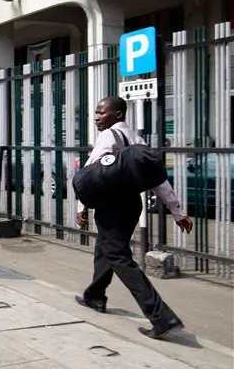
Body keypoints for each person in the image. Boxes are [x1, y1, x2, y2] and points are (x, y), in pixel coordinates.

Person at [75, 96, 193, 340]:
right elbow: (159, 180)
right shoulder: (139, 141)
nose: (97, 117)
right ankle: (95, 296)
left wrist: (82, 205)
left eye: (101, 112)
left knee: (118, 256)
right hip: (131, 205)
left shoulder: (107, 137)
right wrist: (177, 212)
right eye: (96, 113)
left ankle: (161, 317)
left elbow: (90, 174)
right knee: (106, 248)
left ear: (118, 114)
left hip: (111, 205)